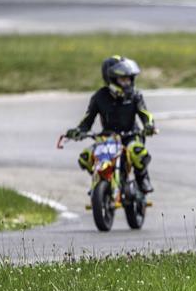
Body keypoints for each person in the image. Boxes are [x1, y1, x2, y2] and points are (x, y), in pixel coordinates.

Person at [65, 55, 157, 194]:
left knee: (137, 152)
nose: (127, 83)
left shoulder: (135, 95)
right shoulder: (99, 97)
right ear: (111, 79)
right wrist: (78, 131)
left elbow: (145, 114)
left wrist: (149, 126)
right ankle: (100, 180)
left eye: (129, 79)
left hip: (131, 135)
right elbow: (87, 120)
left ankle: (142, 178)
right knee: (85, 157)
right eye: (123, 79)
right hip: (107, 138)